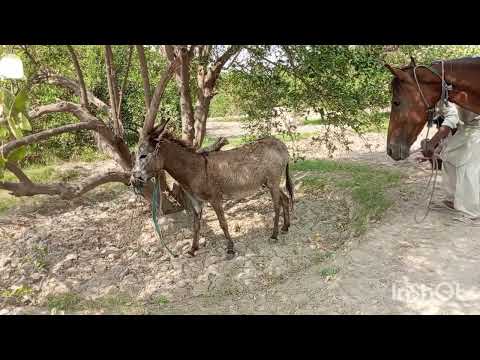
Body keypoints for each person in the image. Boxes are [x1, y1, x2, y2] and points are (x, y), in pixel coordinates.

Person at [421, 101, 480, 218]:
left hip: (477, 131)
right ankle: (453, 198)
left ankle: (470, 206)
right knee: (449, 157)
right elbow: (451, 126)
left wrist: (433, 143)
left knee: (468, 166)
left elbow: (452, 118)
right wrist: (436, 148)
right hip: (464, 130)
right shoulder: (442, 98)